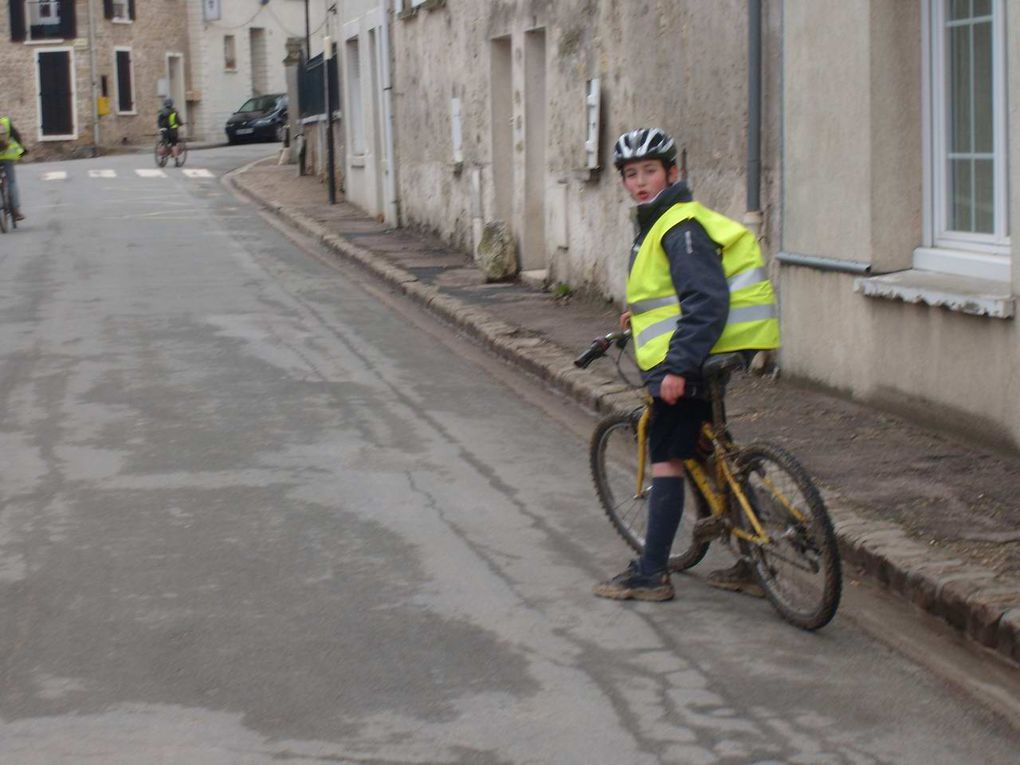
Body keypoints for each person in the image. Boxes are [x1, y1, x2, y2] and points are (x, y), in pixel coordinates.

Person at [593, 128, 780, 602]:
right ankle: (752, 562)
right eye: (630, 174)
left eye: (649, 171)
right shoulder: (662, 222)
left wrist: (677, 368)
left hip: (689, 361)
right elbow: (674, 295)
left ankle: (652, 573)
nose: (639, 182)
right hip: (701, 353)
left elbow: (705, 300)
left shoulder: (679, 226)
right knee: (711, 453)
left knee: (667, 462)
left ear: (672, 173)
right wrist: (640, 316)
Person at [0, 115, 27, 221]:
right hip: (8, 156)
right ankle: (16, 211)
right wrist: (21, 155)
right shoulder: (6, 122)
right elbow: (17, 139)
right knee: (12, 182)